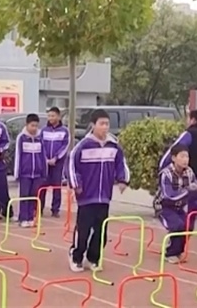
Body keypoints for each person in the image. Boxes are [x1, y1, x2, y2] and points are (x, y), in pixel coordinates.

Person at [66, 109, 130, 272]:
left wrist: (123, 179)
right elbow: (72, 165)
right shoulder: (83, 146)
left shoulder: (114, 145)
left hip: (104, 196)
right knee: (84, 230)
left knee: (101, 231)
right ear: (93, 125)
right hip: (86, 196)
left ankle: (93, 258)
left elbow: (121, 163)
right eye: (101, 124)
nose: (105, 127)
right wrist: (76, 184)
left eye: (107, 124)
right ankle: (76, 256)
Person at [155, 144, 197, 263]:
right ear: (174, 158)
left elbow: (196, 185)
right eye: (182, 156)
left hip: (179, 206)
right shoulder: (166, 174)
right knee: (177, 225)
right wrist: (188, 191)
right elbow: (169, 195)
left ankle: (178, 251)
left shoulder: (189, 171)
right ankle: (170, 253)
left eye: (187, 157)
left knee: (188, 227)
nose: (185, 160)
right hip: (164, 206)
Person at [157, 110, 197, 231]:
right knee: (195, 202)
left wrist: (162, 165)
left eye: (187, 118)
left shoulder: (189, 133)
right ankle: (189, 229)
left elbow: (175, 148)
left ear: (193, 120)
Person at [14, 114, 45, 227]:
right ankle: (23, 218)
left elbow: (43, 155)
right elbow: (18, 156)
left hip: (37, 173)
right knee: (24, 196)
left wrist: (43, 172)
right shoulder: (21, 138)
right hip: (25, 173)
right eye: (32, 125)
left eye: (36, 126)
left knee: (33, 196)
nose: (34, 128)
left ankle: (31, 218)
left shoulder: (40, 138)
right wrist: (17, 173)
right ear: (27, 125)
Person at [40, 107, 70, 218]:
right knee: (42, 185)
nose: (51, 118)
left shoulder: (64, 131)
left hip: (58, 163)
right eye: (49, 116)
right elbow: (41, 145)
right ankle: (39, 208)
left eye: (53, 116)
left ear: (58, 117)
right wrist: (45, 159)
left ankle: (55, 209)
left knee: (57, 186)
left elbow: (65, 146)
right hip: (45, 163)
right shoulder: (43, 130)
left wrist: (56, 158)